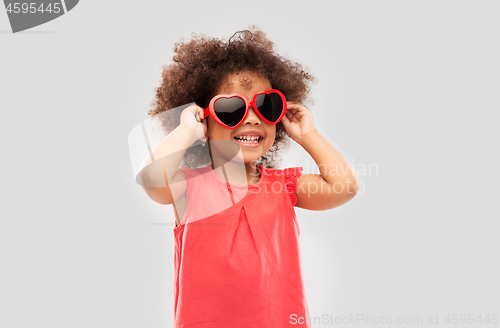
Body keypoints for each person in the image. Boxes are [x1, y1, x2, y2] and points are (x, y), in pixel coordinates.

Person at [137, 26, 359, 328]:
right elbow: (151, 179)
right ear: (204, 119)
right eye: (232, 108)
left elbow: (344, 187)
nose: (253, 117)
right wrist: (186, 130)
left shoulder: (284, 187)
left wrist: (309, 135)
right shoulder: (188, 188)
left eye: (266, 106)